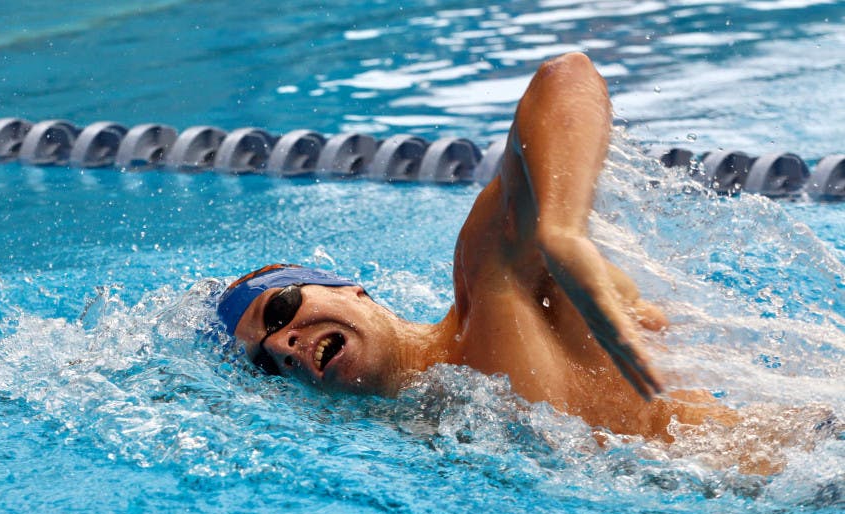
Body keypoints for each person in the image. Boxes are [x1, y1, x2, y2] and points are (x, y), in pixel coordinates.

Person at [216, 52, 738, 443]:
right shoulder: (432, 432)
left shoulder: (491, 287)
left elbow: (566, 75)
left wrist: (560, 230)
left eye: (280, 310)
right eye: (265, 360)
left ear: (351, 290)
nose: (283, 345)